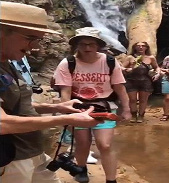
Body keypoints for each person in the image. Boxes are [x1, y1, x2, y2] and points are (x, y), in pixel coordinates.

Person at [0, 2, 103, 182]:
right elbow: (2, 123)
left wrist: (58, 107)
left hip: (34, 152)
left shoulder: (6, 63)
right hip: (11, 161)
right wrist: (66, 119)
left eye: (39, 40)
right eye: (30, 38)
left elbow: (13, 106)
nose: (36, 47)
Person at [53, 27, 132, 183]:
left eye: (91, 44)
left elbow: (119, 88)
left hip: (104, 106)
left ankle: (111, 179)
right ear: (76, 45)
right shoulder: (68, 63)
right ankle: (81, 169)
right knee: (82, 143)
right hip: (78, 107)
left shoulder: (109, 61)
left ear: (98, 45)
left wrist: (127, 109)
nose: (87, 48)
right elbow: (65, 91)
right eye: (83, 44)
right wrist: (68, 113)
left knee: (105, 144)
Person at [122, 42, 161, 123]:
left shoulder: (151, 58)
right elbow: (121, 67)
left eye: (143, 46)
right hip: (131, 80)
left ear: (146, 48)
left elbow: (157, 67)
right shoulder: (130, 57)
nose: (141, 47)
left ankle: (141, 115)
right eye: (138, 46)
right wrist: (126, 69)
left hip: (145, 81)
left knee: (143, 100)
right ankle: (133, 115)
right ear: (135, 47)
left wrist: (157, 74)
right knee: (132, 99)